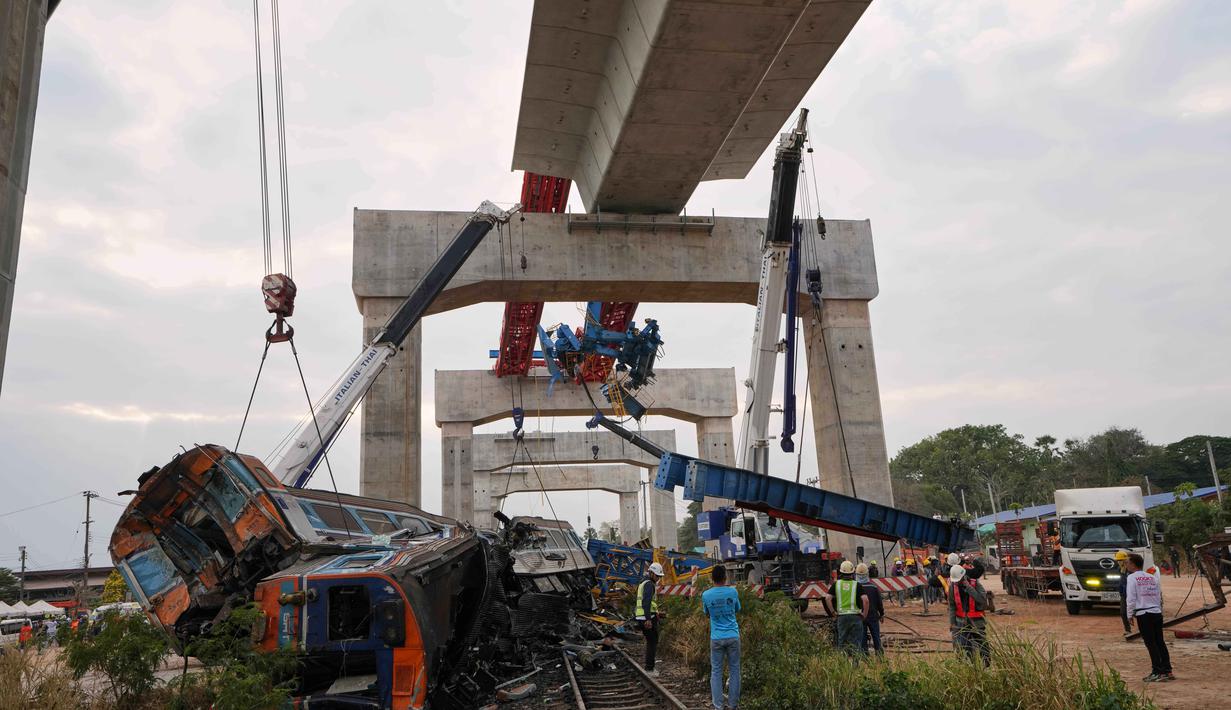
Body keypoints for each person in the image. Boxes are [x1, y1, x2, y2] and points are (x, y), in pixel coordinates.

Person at [1126, 553, 1173, 682]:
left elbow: (1131, 598)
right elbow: (1158, 595)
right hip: (1156, 612)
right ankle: (1167, 670)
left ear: (1133, 564)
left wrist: (1129, 614)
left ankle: (1157, 671)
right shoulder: (1152, 577)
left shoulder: (1131, 578)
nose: (1126, 565)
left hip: (1143, 614)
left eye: (1127, 563)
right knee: (1160, 642)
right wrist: (1158, 609)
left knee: (1150, 643)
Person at [702, 564, 740, 710]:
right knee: (735, 670)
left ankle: (718, 706)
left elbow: (706, 613)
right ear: (725, 577)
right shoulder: (733, 592)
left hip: (716, 638)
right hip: (733, 636)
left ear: (712, 578)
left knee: (716, 671)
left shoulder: (706, 595)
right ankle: (732, 705)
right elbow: (737, 609)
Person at [823, 560, 869, 658]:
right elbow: (866, 601)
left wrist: (833, 612)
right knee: (856, 643)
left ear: (841, 572)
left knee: (842, 641)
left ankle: (842, 664)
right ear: (852, 572)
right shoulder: (857, 585)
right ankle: (855, 666)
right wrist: (864, 615)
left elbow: (827, 598)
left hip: (841, 617)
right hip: (856, 617)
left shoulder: (836, 584)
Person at [950, 563, 990, 665]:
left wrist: (969, 588)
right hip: (961, 623)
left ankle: (986, 665)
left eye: (959, 580)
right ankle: (969, 666)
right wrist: (952, 622)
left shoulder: (975, 584)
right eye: (956, 581)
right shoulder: (952, 587)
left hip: (977, 622)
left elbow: (981, 600)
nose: (957, 583)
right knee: (963, 647)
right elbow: (952, 606)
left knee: (982, 645)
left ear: (964, 576)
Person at [636, 562, 665, 676]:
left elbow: (648, 603)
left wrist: (656, 613)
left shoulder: (643, 582)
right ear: (652, 573)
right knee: (652, 642)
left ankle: (649, 668)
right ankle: (649, 669)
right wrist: (648, 619)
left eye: (659, 576)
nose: (658, 579)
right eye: (657, 576)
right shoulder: (649, 584)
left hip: (643, 616)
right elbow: (646, 602)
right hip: (646, 617)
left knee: (651, 641)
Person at [855, 563, 884, 655]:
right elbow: (879, 602)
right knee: (876, 636)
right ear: (867, 574)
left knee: (862, 637)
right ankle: (879, 655)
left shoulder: (855, 587)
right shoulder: (874, 587)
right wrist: (882, 614)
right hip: (873, 616)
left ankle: (865, 656)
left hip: (860, 616)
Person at [1114, 550, 1132, 635]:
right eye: (1118, 560)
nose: (1119, 562)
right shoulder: (1119, 569)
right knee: (1123, 612)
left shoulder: (1131, 569)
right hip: (1124, 595)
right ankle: (1128, 630)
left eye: (1120, 560)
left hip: (1132, 594)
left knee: (1137, 613)